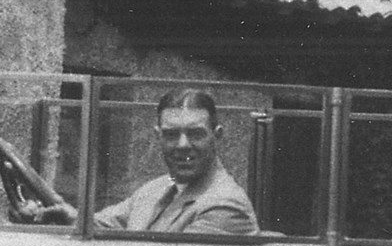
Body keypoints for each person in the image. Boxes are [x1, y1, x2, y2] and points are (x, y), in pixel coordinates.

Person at [21, 88, 258, 234]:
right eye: (171, 134)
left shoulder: (226, 206)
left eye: (195, 134)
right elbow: (104, 226)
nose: (182, 145)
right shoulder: (156, 189)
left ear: (217, 136)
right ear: (158, 137)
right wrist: (65, 216)